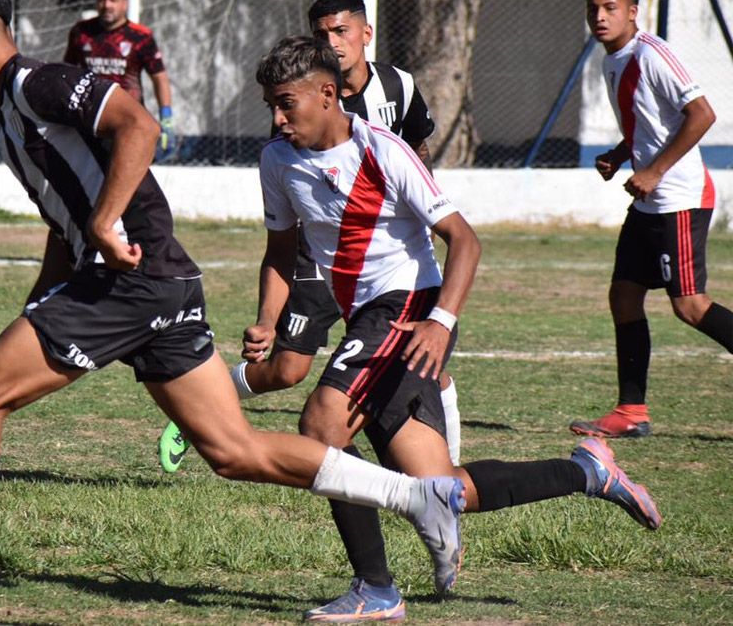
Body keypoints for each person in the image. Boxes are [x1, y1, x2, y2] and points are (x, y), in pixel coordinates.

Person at [0, 0, 470, 626]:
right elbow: (66, 228)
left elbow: (137, 123)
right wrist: (40, 301)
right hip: (160, 280)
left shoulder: (36, 84)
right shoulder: (10, 112)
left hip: (129, 279)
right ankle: (419, 496)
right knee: (234, 451)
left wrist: (109, 221)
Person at [252, 36, 661, 622]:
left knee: (321, 427)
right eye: (270, 104)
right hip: (369, 320)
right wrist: (268, 320)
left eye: (286, 102)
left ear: (326, 92)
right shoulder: (276, 160)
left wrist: (442, 323)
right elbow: (280, 251)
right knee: (442, 487)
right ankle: (588, 472)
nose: (277, 117)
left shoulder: (384, 152)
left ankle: (376, 589)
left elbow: (464, 239)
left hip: (409, 309)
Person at [159, 0, 461, 472]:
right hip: (320, 258)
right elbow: (285, 219)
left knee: (425, 367)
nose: (333, 42)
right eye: (322, 34)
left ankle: (440, 477)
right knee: (287, 370)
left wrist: (415, 205)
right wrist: (265, 315)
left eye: (341, 31)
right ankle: (202, 411)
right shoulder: (294, 111)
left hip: (387, 264)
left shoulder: (397, 87)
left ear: (365, 34)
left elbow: (418, 149)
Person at [570, 0, 732, 439]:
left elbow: (702, 115)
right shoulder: (611, 60)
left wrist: (655, 171)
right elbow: (648, 123)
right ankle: (631, 411)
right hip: (649, 203)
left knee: (691, 306)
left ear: (633, 11)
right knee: (624, 295)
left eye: (610, 8)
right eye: (593, 9)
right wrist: (620, 156)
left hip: (677, 201)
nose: (600, 17)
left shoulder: (652, 54)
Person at [64, 0, 179, 160]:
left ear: (124, 3)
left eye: (113, 0)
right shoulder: (81, 32)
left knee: (126, 179)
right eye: (102, 0)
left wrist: (166, 119)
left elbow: (160, 78)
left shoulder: (140, 36)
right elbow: (68, 72)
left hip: (127, 121)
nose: (107, 5)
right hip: (88, 118)